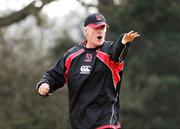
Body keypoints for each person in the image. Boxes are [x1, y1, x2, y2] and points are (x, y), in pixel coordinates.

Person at [36, 13, 140, 129]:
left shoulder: (110, 51)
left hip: (105, 121)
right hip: (79, 122)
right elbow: (55, 75)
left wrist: (123, 42)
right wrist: (44, 84)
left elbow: (118, 52)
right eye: (96, 28)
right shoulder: (72, 55)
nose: (100, 31)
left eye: (102, 28)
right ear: (86, 31)